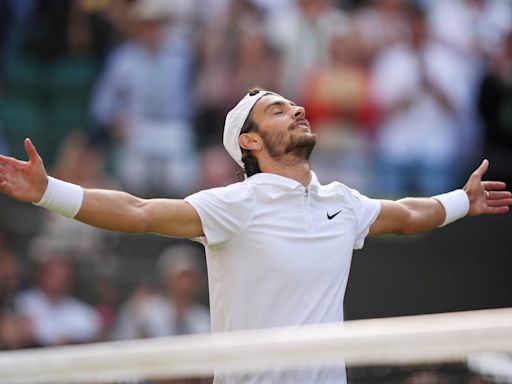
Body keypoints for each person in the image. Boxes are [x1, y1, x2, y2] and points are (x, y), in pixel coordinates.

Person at [0, 88, 511, 383]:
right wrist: (49, 192)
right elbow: (137, 210)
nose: (297, 111)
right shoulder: (236, 204)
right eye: (279, 111)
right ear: (250, 141)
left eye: (293, 106)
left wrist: (461, 202)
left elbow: (405, 213)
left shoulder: (342, 201)